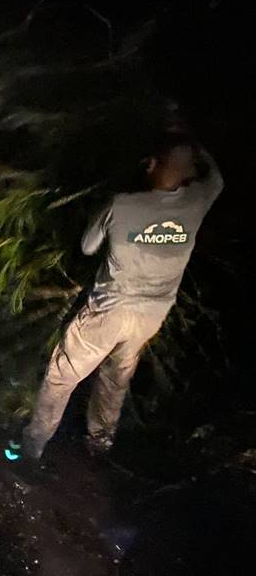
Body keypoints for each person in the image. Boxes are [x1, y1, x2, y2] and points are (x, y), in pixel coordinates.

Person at [22, 133, 223, 461]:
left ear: (152, 164)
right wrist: (199, 149)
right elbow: (217, 180)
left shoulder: (122, 205)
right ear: (189, 172)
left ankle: (33, 446)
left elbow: (88, 247)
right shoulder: (196, 202)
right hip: (151, 316)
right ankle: (99, 447)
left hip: (108, 313)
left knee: (62, 376)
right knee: (115, 380)